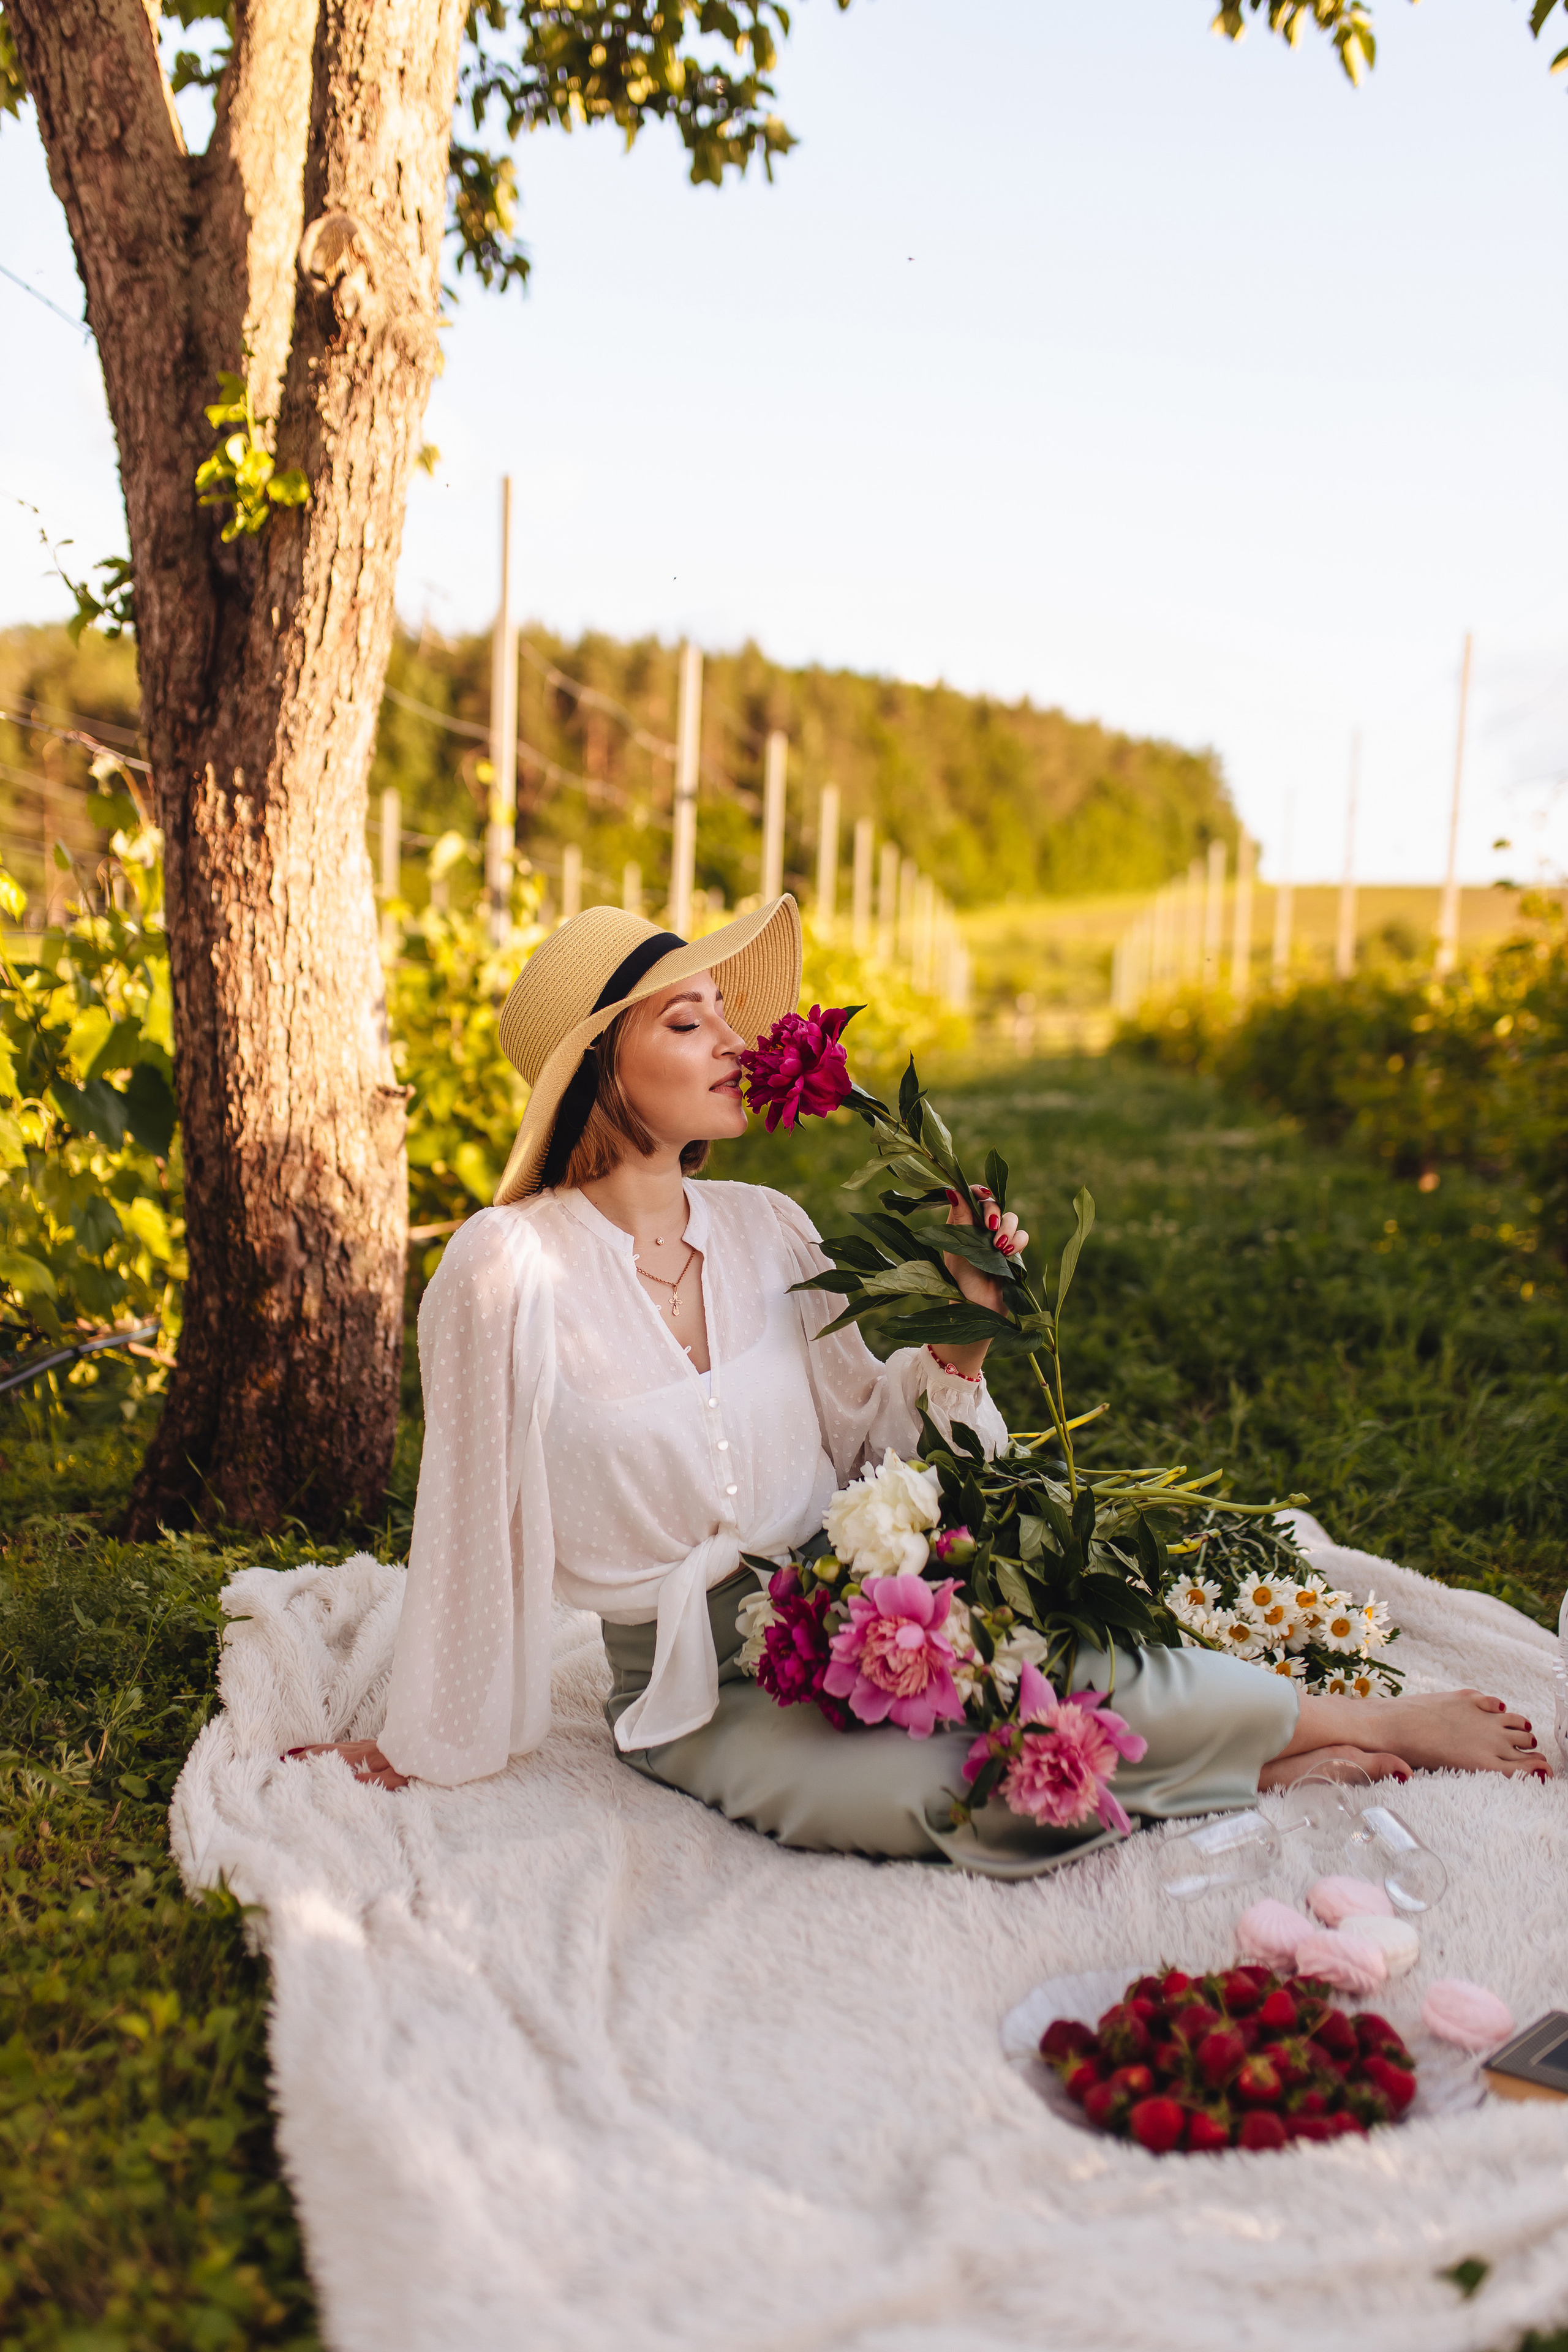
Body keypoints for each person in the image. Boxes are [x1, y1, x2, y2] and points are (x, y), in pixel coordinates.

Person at [295, 895, 1548, 1872]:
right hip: (693, 1694)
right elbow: (465, 1513)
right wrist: (427, 1736)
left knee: (1079, 1663)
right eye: (688, 1023)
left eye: (726, 1013)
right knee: (956, 1804)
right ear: (598, 1069)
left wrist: (960, 1340)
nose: (736, 1042)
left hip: (864, 1604)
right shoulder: (504, 1267)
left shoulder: (764, 1226)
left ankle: (1349, 1724)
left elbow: (871, 1428)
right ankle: (1248, 1775)